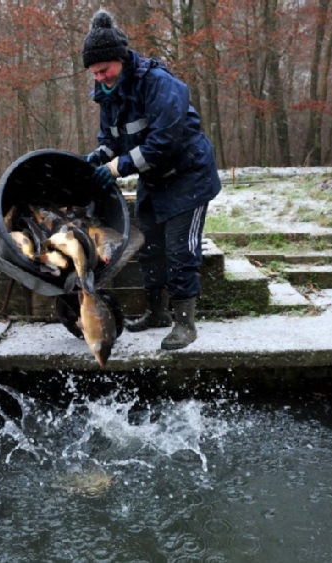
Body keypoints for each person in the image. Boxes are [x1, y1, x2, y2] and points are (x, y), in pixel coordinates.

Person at [82, 10, 222, 350]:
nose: (100, 78)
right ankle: (156, 312)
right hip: (153, 181)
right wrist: (102, 154)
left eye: (104, 69)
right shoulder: (107, 92)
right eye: (94, 72)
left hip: (187, 177)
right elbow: (111, 137)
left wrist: (118, 167)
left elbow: (165, 142)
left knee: (180, 250)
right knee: (150, 248)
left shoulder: (160, 84)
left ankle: (184, 323)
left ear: (121, 59)